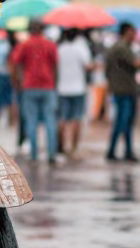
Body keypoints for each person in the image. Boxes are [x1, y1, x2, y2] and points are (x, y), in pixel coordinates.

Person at [11, 19, 58, 163]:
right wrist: (54, 83)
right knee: (50, 120)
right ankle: (51, 155)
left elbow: (16, 63)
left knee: (31, 121)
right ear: (42, 30)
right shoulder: (50, 45)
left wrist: (18, 81)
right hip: (47, 86)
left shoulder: (24, 45)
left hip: (29, 86)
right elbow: (55, 65)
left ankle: (34, 155)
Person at [105, 23, 140, 162]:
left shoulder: (115, 47)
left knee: (122, 121)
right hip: (125, 89)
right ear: (127, 32)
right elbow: (135, 64)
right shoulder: (123, 48)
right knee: (124, 121)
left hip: (120, 88)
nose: (135, 35)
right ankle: (118, 150)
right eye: (133, 32)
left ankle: (122, 150)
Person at [56, 28, 94, 159]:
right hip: (78, 88)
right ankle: (73, 147)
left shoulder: (60, 49)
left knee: (62, 118)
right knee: (76, 118)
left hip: (62, 88)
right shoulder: (81, 49)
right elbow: (88, 66)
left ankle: (60, 146)